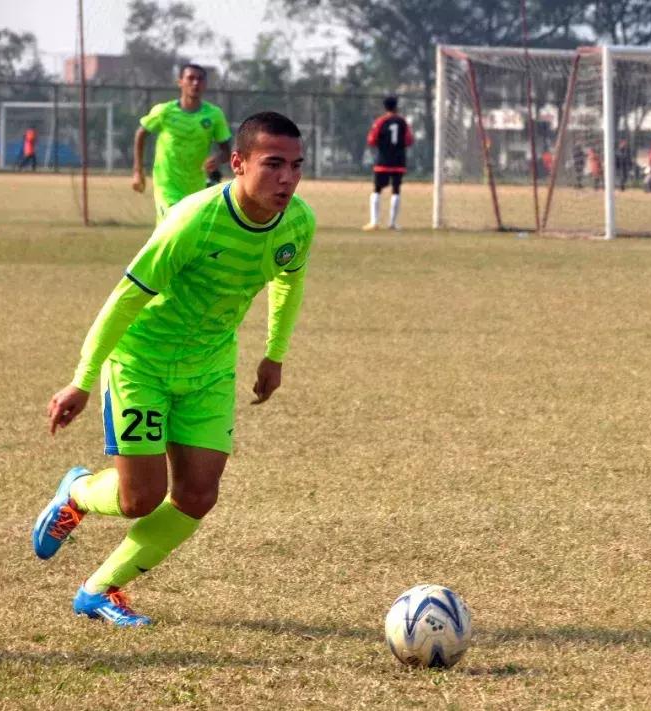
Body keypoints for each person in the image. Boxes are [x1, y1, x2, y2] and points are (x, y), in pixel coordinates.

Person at [33, 111, 315, 626]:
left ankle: (100, 589)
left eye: (297, 166)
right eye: (273, 164)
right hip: (144, 363)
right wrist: (83, 378)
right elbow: (123, 298)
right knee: (140, 498)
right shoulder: (192, 220)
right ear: (238, 163)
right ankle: (76, 492)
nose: (288, 179)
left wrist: (274, 354)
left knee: (198, 494)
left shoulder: (298, 221)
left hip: (209, 369)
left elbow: (289, 280)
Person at [133, 64, 232, 224]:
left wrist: (217, 159)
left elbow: (227, 151)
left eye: (200, 79)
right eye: (190, 78)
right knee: (172, 222)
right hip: (167, 182)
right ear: (180, 82)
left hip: (196, 184)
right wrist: (138, 171)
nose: (195, 83)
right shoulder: (164, 111)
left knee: (187, 229)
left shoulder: (214, 115)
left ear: (205, 84)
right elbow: (141, 133)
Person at [364, 95, 414, 231]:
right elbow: (409, 140)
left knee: (377, 190)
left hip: (383, 160)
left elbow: (371, 140)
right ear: (396, 106)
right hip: (399, 161)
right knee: (396, 190)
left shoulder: (380, 121)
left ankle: (374, 222)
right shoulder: (403, 122)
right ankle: (392, 223)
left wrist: (383, 144)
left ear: (385, 107)